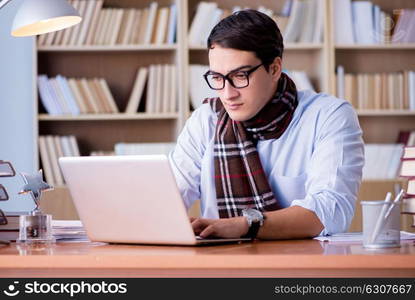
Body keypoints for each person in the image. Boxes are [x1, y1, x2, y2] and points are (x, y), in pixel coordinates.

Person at [169, 9, 364, 240]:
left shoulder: (328, 116)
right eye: (217, 78)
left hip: (301, 267)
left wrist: (245, 225)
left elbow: (331, 210)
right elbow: (168, 199)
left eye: (240, 76)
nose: (227, 94)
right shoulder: (206, 119)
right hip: (220, 267)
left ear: (274, 68)